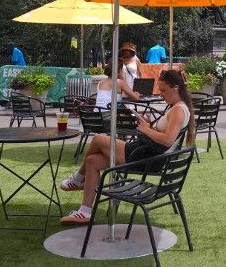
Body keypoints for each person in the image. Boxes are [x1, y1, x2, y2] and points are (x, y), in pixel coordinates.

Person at [59, 69, 194, 224]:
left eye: (163, 90)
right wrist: (149, 126)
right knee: (92, 161)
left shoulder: (178, 109)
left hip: (146, 158)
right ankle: (85, 212)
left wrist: (146, 129)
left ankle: (78, 179)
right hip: (146, 153)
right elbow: (164, 136)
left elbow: (167, 140)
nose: (161, 94)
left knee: (97, 139)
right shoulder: (177, 107)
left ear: (176, 88)